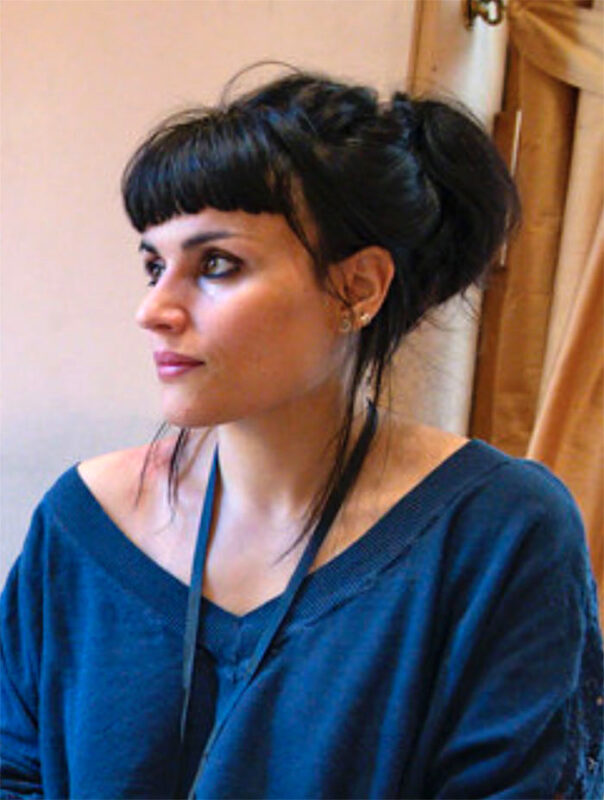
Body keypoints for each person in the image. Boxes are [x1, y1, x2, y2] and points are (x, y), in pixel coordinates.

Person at [1, 68, 602, 800]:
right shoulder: (81, 526)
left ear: (359, 287)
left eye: (216, 265)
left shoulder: (498, 533)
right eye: (154, 265)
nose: (153, 309)